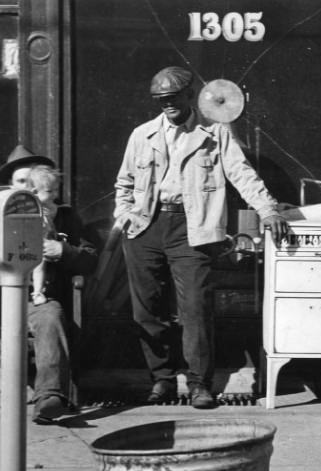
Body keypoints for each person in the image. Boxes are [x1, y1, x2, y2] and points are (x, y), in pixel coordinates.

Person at [113, 66, 288, 409]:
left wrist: (268, 210)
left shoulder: (215, 133)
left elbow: (242, 174)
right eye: (160, 101)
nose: (167, 105)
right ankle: (161, 380)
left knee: (195, 308)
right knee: (147, 310)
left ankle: (199, 385)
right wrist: (124, 215)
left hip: (193, 229)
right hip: (146, 226)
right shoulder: (142, 135)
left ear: (189, 95)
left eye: (173, 98)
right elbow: (125, 184)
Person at [0, 145, 98, 424]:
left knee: (51, 317)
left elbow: (89, 260)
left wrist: (62, 250)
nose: (29, 189)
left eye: (34, 183)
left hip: (36, 297)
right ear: (9, 186)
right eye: (21, 183)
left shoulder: (62, 215)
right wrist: (3, 218)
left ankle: (49, 398)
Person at [26, 164, 63, 306]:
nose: (55, 194)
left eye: (56, 190)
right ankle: (37, 292)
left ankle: (39, 290)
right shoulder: (31, 207)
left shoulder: (51, 206)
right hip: (32, 245)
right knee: (39, 265)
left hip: (46, 244)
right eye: (50, 191)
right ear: (35, 192)